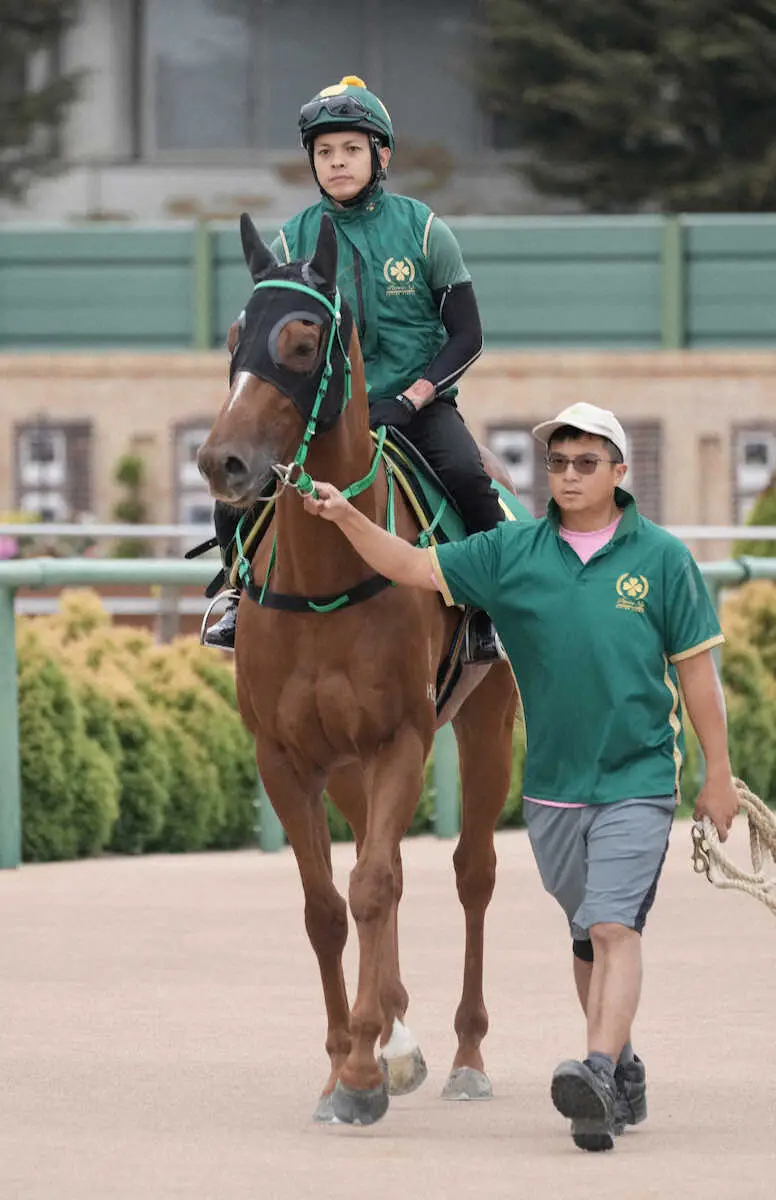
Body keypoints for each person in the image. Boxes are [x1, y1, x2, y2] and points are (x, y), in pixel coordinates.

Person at [299, 400, 740, 1152]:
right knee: (586, 934)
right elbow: (409, 564)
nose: (569, 475)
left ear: (619, 472)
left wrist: (718, 775)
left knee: (612, 925)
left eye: (586, 463)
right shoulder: (511, 553)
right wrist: (344, 517)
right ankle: (622, 1064)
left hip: (637, 781)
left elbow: (697, 674)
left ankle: (597, 1069)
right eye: (559, 463)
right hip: (553, 791)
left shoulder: (663, 559)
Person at [205, 75, 503, 657]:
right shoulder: (289, 244)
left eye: (350, 149)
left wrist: (413, 398)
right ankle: (238, 595)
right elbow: (265, 338)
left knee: (471, 479)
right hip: (321, 413)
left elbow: (468, 335)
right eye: (324, 152)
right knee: (231, 498)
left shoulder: (424, 230)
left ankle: (490, 609)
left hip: (416, 409)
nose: (336, 163)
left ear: (381, 154)